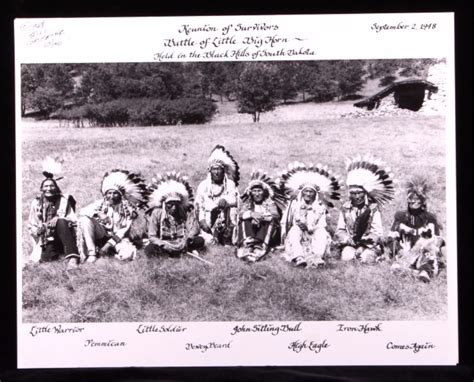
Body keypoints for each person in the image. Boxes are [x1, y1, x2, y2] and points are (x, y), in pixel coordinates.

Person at [77, 169, 149, 263]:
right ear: (105, 194)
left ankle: (109, 251)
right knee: (84, 220)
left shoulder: (128, 210)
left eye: (115, 193)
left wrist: (108, 245)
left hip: (118, 239)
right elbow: (82, 211)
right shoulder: (100, 204)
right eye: (109, 193)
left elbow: (122, 232)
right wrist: (99, 213)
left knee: (127, 255)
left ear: (120, 195)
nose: (111, 196)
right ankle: (92, 253)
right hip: (101, 234)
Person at [335, 155, 395, 264]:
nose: (357, 197)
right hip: (350, 244)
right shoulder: (345, 208)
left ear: (366, 193)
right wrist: (348, 240)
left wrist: (363, 245)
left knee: (366, 259)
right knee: (347, 258)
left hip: (369, 245)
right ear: (350, 194)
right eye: (354, 193)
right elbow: (340, 230)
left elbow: (376, 232)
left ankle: (374, 256)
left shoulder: (373, 208)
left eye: (360, 193)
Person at [280, 162, 341, 268]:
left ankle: (318, 256)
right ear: (302, 192)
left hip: (314, 234)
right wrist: (286, 233)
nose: (308, 194)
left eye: (311, 192)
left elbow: (322, 224)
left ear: (315, 194)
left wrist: (309, 228)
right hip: (298, 233)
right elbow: (285, 222)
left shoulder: (320, 207)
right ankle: (299, 256)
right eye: (306, 191)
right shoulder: (294, 205)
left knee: (322, 232)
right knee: (294, 230)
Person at [387, 176, 446, 282]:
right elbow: (391, 238)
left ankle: (424, 272)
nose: (413, 202)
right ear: (407, 200)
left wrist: (430, 246)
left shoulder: (430, 218)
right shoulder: (400, 216)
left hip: (424, 254)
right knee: (396, 268)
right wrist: (400, 250)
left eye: (417, 200)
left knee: (430, 250)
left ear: (423, 201)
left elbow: (437, 240)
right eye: (411, 200)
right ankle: (413, 272)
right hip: (405, 253)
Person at [28, 157, 80, 270]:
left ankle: (73, 258)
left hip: (66, 235)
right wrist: (39, 230)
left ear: (56, 187)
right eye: (46, 186)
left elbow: (74, 220)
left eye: (52, 186)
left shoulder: (64, 200)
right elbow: (31, 225)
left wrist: (59, 218)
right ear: (41, 188)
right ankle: (58, 252)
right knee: (47, 259)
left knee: (61, 221)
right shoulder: (36, 203)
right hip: (47, 238)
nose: (49, 188)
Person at [144, 172, 205, 257]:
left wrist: (186, 240)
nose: (174, 207)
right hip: (164, 243)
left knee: (199, 240)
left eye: (176, 204)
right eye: (170, 204)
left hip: (182, 242)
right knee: (150, 249)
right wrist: (164, 245)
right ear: (164, 204)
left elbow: (194, 229)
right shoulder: (157, 213)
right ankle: (172, 253)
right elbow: (152, 236)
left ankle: (180, 251)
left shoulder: (185, 212)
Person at [236, 170, 286, 262]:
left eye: (259, 191)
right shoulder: (248, 203)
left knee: (271, 221)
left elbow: (275, 215)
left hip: (266, 233)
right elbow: (240, 214)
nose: (257, 194)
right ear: (251, 192)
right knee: (244, 220)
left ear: (264, 192)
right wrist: (251, 214)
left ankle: (260, 247)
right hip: (251, 231)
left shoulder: (269, 202)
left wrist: (261, 217)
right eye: (254, 191)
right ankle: (247, 245)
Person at [195, 145, 240, 245]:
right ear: (210, 170)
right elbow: (199, 206)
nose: (216, 172)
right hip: (208, 219)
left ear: (223, 170)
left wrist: (225, 200)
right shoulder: (203, 185)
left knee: (232, 210)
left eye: (219, 169)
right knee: (209, 242)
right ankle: (213, 235)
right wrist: (202, 221)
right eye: (214, 169)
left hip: (227, 219)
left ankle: (227, 235)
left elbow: (235, 200)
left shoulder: (230, 184)